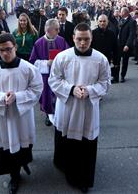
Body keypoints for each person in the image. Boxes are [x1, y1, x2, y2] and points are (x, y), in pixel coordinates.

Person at [48, 23, 111, 192]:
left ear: (92, 38)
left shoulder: (100, 59)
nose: (83, 43)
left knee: (85, 144)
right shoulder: (63, 57)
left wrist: (90, 91)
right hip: (67, 105)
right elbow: (54, 79)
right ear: (73, 38)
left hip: (88, 108)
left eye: (86, 39)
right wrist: (71, 89)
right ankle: (64, 165)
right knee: (66, 140)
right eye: (79, 39)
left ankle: (83, 179)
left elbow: (105, 83)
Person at [0, 33, 43, 194]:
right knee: (9, 145)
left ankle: (24, 162)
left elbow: (36, 89)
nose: (5, 53)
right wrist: (1, 98)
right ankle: (15, 176)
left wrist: (18, 96)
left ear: (16, 47)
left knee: (24, 142)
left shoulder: (28, 68)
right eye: (1, 50)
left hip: (23, 115)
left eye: (8, 49)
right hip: (4, 117)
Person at [29, 18, 69, 126]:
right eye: (56, 29)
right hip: (45, 76)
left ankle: (60, 113)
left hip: (59, 75)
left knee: (59, 94)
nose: (58, 31)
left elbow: (68, 56)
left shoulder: (61, 40)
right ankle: (48, 114)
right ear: (48, 30)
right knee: (47, 95)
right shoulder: (39, 43)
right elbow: (33, 62)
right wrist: (47, 63)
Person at [91, 14, 119, 83]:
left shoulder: (111, 34)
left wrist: (116, 62)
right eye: (100, 21)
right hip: (95, 60)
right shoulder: (93, 33)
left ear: (107, 22)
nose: (102, 23)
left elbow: (115, 49)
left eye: (104, 21)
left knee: (104, 80)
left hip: (107, 60)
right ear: (97, 22)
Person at [115, 7, 137, 83]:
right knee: (117, 60)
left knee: (125, 61)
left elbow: (132, 34)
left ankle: (122, 76)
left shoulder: (132, 21)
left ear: (125, 13)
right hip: (119, 43)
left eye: (121, 12)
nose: (120, 13)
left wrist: (127, 45)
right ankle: (116, 75)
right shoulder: (121, 20)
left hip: (125, 45)